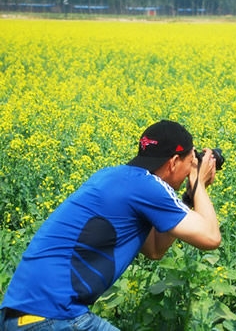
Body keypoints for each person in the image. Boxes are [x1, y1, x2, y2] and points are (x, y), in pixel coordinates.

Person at [0, 120, 221, 330]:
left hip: (20, 316)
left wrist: (191, 195)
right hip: (55, 317)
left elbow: (155, 249)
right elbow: (211, 237)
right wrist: (199, 183)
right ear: (173, 162)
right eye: (190, 162)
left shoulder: (113, 177)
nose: (190, 170)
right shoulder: (147, 186)